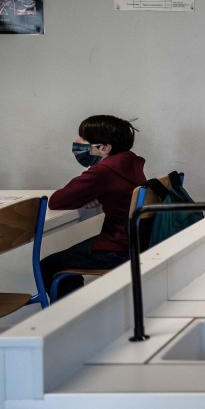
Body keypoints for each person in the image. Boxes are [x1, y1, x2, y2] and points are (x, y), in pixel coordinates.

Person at [40, 115, 145, 299]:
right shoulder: (130, 161)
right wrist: (97, 193)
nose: (77, 142)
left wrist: (93, 181)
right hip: (136, 240)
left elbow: (57, 201)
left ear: (104, 148)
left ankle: (70, 317)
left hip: (117, 248)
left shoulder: (102, 171)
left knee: (50, 265)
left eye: (84, 140)